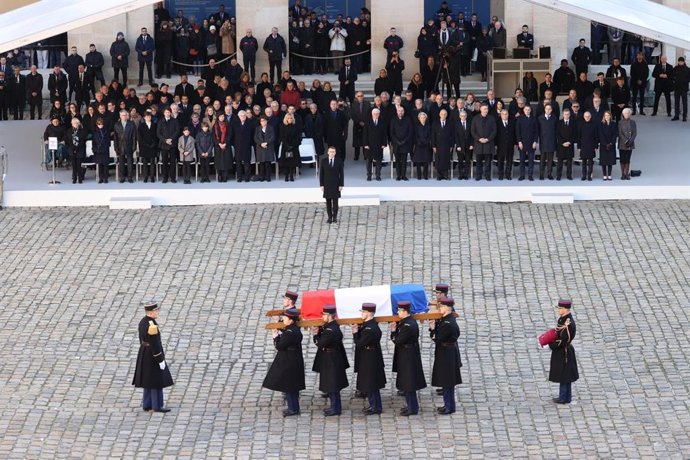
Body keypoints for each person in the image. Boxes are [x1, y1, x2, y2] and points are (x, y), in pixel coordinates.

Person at [132, 301, 174, 413]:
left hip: (144, 352)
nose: (158, 312)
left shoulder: (143, 321)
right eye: (156, 310)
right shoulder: (152, 326)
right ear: (151, 312)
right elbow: (155, 344)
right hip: (152, 355)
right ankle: (157, 405)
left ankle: (147, 404)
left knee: (148, 381)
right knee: (156, 381)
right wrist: (160, 360)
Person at [262, 307, 305, 417]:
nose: (284, 319)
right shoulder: (292, 329)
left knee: (289, 386)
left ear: (290, 320)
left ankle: (293, 409)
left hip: (289, 360)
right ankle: (293, 407)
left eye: (286, 317)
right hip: (292, 358)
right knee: (291, 386)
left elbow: (280, 346)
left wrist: (275, 337)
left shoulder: (290, 332)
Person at [389, 301, 426, 416]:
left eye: (399, 310)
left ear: (405, 311)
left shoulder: (407, 326)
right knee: (407, 382)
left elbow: (397, 341)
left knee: (409, 383)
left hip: (408, 356)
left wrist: (393, 331)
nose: (398, 312)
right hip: (408, 354)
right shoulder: (408, 322)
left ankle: (412, 408)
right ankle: (410, 405)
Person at [311, 305, 349, 416]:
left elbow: (320, 343)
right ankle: (334, 406)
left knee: (333, 385)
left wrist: (315, 335)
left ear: (328, 316)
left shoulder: (330, 330)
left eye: (323, 314)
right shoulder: (331, 327)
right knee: (331, 384)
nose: (322, 317)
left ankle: (336, 408)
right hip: (331, 357)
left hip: (331, 359)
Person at [352, 303, 386, 415]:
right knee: (371, 384)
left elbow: (359, 343)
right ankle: (374, 405)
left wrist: (355, 333)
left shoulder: (369, 329)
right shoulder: (370, 325)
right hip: (371, 356)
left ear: (368, 313)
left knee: (371, 384)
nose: (361, 314)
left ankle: (375, 407)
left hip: (369, 359)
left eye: (363, 312)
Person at [430, 297, 462, 415]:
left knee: (448, 381)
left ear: (447, 308)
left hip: (447, 353)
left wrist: (433, 330)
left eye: (441, 307)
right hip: (446, 351)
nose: (440, 309)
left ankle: (450, 406)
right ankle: (447, 404)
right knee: (446, 380)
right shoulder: (447, 319)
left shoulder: (448, 323)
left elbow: (438, 339)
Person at [548, 299, 579, 404]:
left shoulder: (568, 323)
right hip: (562, 351)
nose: (558, 310)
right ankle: (565, 397)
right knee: (565, 375)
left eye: (560, 308)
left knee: (565, 375)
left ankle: (564, 397)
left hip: (564, 351)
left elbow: (564, 339)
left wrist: (552, 344)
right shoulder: (563, 319)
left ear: (565, 309)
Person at [317, 146, 345, 224]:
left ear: (335, 153)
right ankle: (329, 217)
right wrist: (321, 185)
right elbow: (321, 174)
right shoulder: (324, 161)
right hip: (327, 184)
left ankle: (335, 217)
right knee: (328, 202)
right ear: (328, 152)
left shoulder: (339, 161)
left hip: (336, 184)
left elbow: (341, 174)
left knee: (335, 202)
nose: (332, 153)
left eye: (333, 152)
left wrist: (341, 185)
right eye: (330, 151)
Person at [471, 104, 496, 181]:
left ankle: (487, 175)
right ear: (481, 109)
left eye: (487, 109)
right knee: (478, 161)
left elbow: (494, 131)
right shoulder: (475, 118)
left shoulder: (491, 118)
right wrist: (479, 139)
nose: (486, 110)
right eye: (484, 109)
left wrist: (488, 139)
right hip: (478, 143)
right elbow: (472, 131)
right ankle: (478, 175)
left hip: (488, 143)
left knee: (488, 161)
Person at [389, 105, 413, 181]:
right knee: (397, 161)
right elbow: (391, 132)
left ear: (404, 112)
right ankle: (398, 175)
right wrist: (397, 141)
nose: (400, 112)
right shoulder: (393, 120)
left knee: (404, 161)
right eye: (399, 111)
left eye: (402, 111)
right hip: (396, 144)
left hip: (405, 143)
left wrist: (404, 141)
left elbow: (410, 131)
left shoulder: (408, 119)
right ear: (397, 112)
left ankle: (404, 175)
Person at [157, 107, 179, 183]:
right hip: (163, 144)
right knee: (164, 161)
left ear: (170, 113)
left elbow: (177, 131)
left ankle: (173, 177)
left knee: (173, 161)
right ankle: (165, 177)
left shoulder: (175, 121)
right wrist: (165, 140)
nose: (167, 113)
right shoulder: (160, 121)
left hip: (173, 144)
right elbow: (158, 133)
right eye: (166, 112)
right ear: (164, 113)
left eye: (168, 112)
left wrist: (171, 139)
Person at [515, 103, 538, 181]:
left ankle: (530, 175)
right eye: (526, 110)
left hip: (532, 143)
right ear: (523, 110)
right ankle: (522, 175)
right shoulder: (520, 119)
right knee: (522, 160)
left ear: (530, 110)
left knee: (531, 160)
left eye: (528, 110)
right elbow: (517, 131)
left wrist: (535, 141)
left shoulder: (534, 119)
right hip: (522, 143)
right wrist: (519, 142)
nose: (527, 111)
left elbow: (536, 132)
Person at [432, 108, 454, 180]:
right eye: (442, 114)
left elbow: (452, 135)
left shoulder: (450, 123)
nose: (443, 115)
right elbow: (433, 135)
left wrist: (451, 145)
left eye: (445, 114)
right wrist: (433, 146)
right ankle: (439, 175)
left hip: (447, 145)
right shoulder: (435, 123)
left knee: (446, 159)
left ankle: (445, 175)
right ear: (439, 115)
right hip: (438, 145)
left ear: (447, 115)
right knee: (438, 159)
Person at [232, 110, 254, 183]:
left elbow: (252, 135)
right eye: (241, 115)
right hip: (238, 146)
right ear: (238, 116)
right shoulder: (235, 124)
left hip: (247, 146)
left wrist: (250, 143)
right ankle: (239, 177)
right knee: (238, 163)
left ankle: (247, 177)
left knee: (247, 162)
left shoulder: (250, 124)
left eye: (244, 115)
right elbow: (233, 135)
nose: (243, 117)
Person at [537, 104, 557, 180]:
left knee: (550, 159)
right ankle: (541, 174)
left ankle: (549, 174)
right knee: (542, 159)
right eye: (547, 109)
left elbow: (556, 130)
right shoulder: (540, 118)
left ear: (551, 110)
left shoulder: (554, 118)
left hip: (552, 141)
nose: (548, 110)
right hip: (543, 141)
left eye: (549, 109)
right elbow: (538, 130)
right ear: (544, 110)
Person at [137, 110, 158, 183]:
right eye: (147, 116)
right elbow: (140, 137)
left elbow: (156, 135)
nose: (148, 118)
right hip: (144, 147)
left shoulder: (154, 125)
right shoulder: (141, 125)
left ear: (151, 117)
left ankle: (152, 177)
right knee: (145, 163)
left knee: (152, 162)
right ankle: (145, 176)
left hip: (153, 146)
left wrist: (153, 143)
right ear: (144, 117)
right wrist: (146, 144)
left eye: (149, 116)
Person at [65, 118, 87, 183]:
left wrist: (77, 148)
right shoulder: (69, 131)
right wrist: (73, 148)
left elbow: (83, 141)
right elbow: (68, 141)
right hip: (72, 150)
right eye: (74, 123)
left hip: (80, 150)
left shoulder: (82, 131)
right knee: (74, 166)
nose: (76, 124)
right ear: (72, 124)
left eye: (77, 123)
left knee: (79, 165)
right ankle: (74, 178)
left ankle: (80, 178)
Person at [495, 109, 515, 180]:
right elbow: (495, 135)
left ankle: (508, 175)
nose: (504, 115)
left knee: (509, 160)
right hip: (500, 145)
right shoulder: (497, 123)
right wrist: (496, 144)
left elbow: (514, 134)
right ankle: (500, 175)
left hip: (510, 145)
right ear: (500, 115)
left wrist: (515, 143)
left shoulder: (512, 122)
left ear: (508, 115)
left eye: (506, 114)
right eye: (503, 114)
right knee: (500, 161)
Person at [597, 111, 617, 181]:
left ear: (610, 116)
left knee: (610, 161)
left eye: (608, 115)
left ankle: (610, 175)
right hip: (603, 145)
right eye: (605, 115)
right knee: (604, 161)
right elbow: (600, 135)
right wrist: (605, 144)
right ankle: (604, 175)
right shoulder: (601, 124)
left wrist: (611, 143)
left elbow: (615, 134)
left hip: (611, 145)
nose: (607, 117)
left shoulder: (614, 124)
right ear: (604, 116)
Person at [556, 109, 575, 180]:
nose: (566, 115)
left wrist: (569, 142)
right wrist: (562, 143)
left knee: (569, 162)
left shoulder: (573, 122)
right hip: (561, 145)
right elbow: (557, 134)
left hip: (570, 145)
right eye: (565, 114)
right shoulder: (559, 122)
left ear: (569, 115)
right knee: (560, 162)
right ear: (563, 115)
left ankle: (569, 175)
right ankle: (558, 175)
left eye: (568, 114)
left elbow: (574, 134)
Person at [618, 108, 637, 180]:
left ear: (630, 114)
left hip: (630, 144)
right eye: (625, 113)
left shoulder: (633, 122)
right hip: (622, 143)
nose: (627, 114)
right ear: (623, 114)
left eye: (628, 113)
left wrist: (630, 141)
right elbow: (620, 133)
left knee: (627, 159)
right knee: (622, 159)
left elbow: (635, 133)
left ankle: (627, 174)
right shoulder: (620, 122)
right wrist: (625, 140)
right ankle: (622, 174)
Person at [413, 111, 432, 180]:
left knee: (426, 161)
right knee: (418, 161)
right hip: (418, 145)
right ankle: (419, 175)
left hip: (426, 146)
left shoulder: (428, 126)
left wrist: (426, 142)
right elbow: (415, 136)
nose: (422, 118)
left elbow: (430, 136)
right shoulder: (416, 126)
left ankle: (425, 175)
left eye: (424, 117)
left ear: (426, 118)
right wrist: (419, 142)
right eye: (421, 117)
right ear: (419, 118)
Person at [578, 111, 597, 181]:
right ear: (584, 117)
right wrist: (579, 146)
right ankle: (584, 175)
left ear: (590, 117)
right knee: (584, 162)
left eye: (588, 116)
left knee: (590, 162)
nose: (587, 117)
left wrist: (596, 146)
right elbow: (579, 137)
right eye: (586, 116)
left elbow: (596, 136)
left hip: (591, 146)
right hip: (583, 146)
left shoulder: (594, 124)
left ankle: (589, 175)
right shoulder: (581, 124)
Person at [671, 57, 689, 122]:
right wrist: (675, 80)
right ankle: (676, 116)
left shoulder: (688, 69)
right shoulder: (675, 68)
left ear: (684, 62)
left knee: (684, 103)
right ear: (678, 62)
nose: (680, 62)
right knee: (676, 103)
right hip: (677, 88)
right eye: (679, 61)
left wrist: (684, 81)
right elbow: (671, 76)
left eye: (681, 61)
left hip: (684, 88)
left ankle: (684, 116)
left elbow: (689, 78)